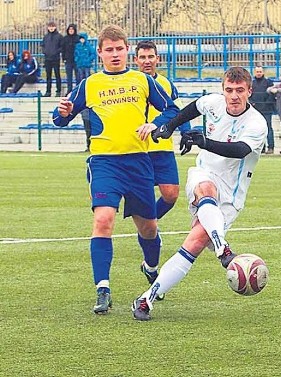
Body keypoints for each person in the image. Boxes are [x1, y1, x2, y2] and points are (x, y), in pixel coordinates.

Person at [51, 24, 180, 314]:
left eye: (119, 48)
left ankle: (150, 267)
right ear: (100, 54)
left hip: (138, 162)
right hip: (105, 163)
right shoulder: (90, 84)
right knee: (103, 221)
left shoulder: (141, 81)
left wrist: (156, 124)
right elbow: (62, 117)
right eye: (109, 49)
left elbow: (172, 110)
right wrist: (60, 113)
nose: (114, 54)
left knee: (149, 229)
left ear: (126, 51)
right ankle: (103, 289)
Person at [131, 66, 268, 321]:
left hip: (231, 195)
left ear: (249, 91)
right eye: (229, 90)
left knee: (193, 244)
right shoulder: (214, 103)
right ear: (222, 90)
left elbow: (239, 150)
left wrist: (203, 141)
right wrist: (170, 127)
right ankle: (222, 248)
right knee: (206, 190)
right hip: (204, 174)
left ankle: (146, 297)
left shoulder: (256, 123)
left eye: (240, 90)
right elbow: (193, 107)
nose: (234, 96)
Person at [134, 40, 190, 224]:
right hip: (138, 149)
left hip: (163, 147)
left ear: (157, 59)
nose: (147, 61)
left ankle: (149, 225)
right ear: (136, 60)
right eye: (143, 57)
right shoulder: (130, 83)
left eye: (151, 57)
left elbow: (179, 111)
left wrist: (185, 132)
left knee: (171, 194)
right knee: (142, 195)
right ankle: (149, 231)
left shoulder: (166, 83)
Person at [249, 64, 275, 153]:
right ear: (254, 72)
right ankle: (261, 147)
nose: (259, 73)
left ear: (263, 72)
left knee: (268, 128)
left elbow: (272, 95)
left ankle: (271, 147)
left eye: (260, 71)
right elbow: (249, 95)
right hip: (255, 110)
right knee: (257, 129)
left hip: (267, 110)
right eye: (257, 72)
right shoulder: (251, 83)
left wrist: (266, 104)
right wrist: (252, 103)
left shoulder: (269, 82)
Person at [41, 21, 63, 97]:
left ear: (55, 27)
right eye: (50, 26)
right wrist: (45, 52)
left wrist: (56, 52)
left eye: (52, 26)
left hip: (56, 58)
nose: (51, 28)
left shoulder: (59, 36)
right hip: (47, 59)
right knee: (48, 76)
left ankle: (58, 91)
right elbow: (43, 45)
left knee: (57, 75)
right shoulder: (46, 36)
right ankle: (48, 91)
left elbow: (61, 47)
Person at [61, 23, 79, 95]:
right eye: (69, 29)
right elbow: (63, 49)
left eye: (72, 29)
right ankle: (69, 90)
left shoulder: (78, 38)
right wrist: (63, 58)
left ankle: (78, 90)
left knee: (78, 75)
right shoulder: (65, 38)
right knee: (69, 76)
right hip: (68, 60)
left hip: (76, 60)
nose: (71, 31)